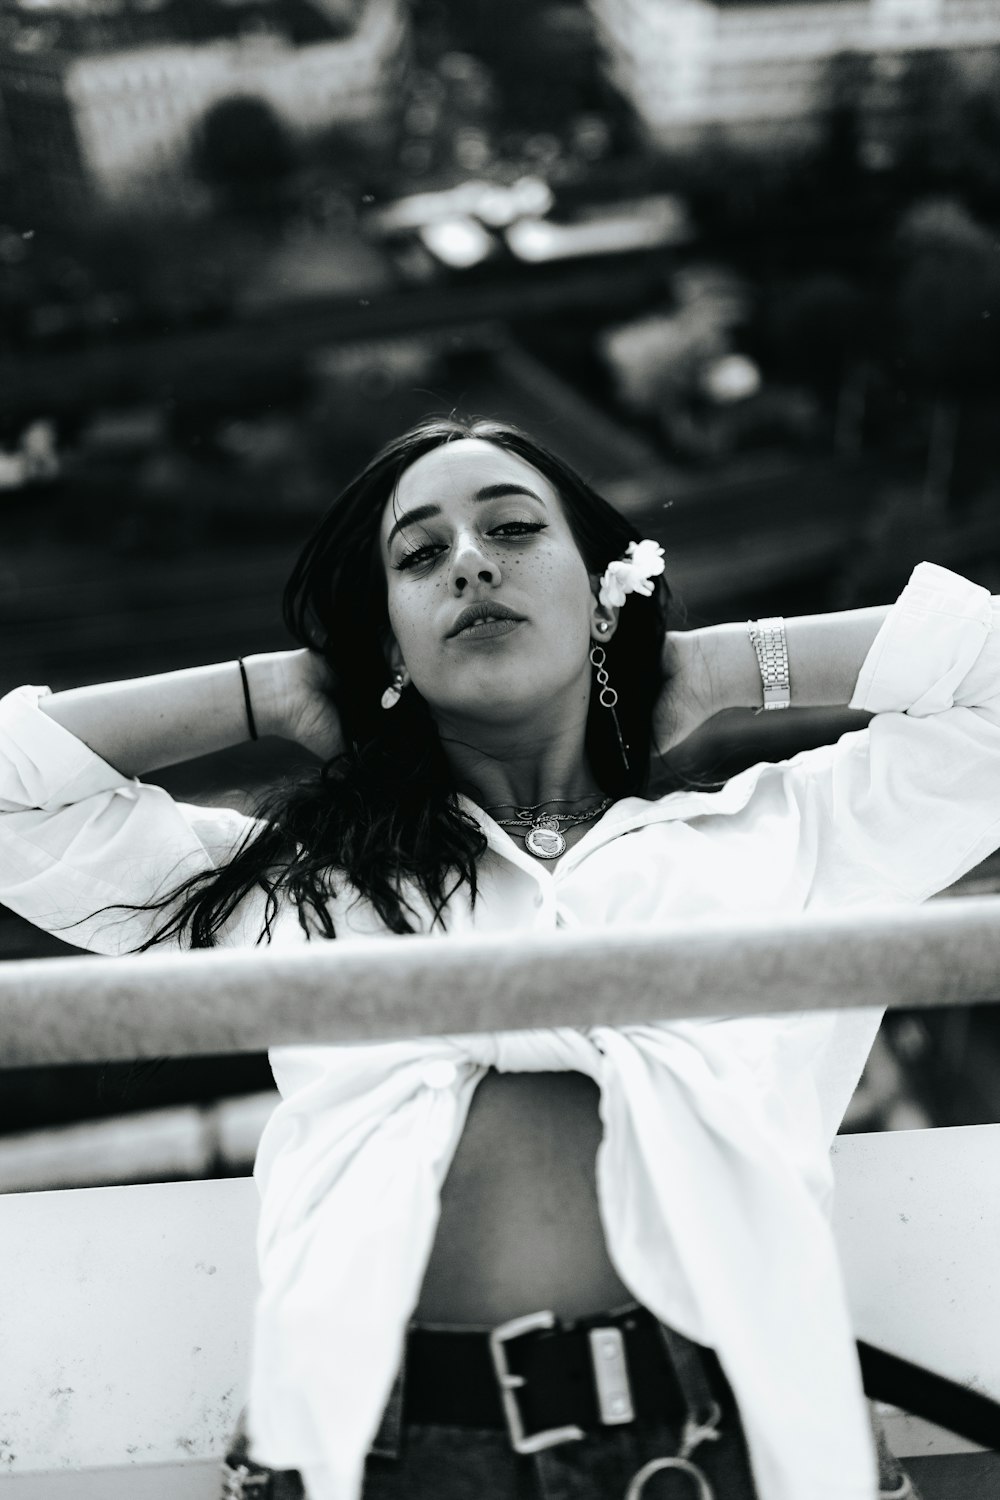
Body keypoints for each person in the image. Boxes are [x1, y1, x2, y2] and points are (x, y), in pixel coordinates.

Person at [2, 414, 996, 1500]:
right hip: (395, 1461)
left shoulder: (788, 841)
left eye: (513, 530)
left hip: (732, 1447)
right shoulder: (294, 892)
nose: (470, 560)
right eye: (419, 555)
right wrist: (276, 693)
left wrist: (712, 668)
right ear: (385, 641)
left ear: (601, 590)